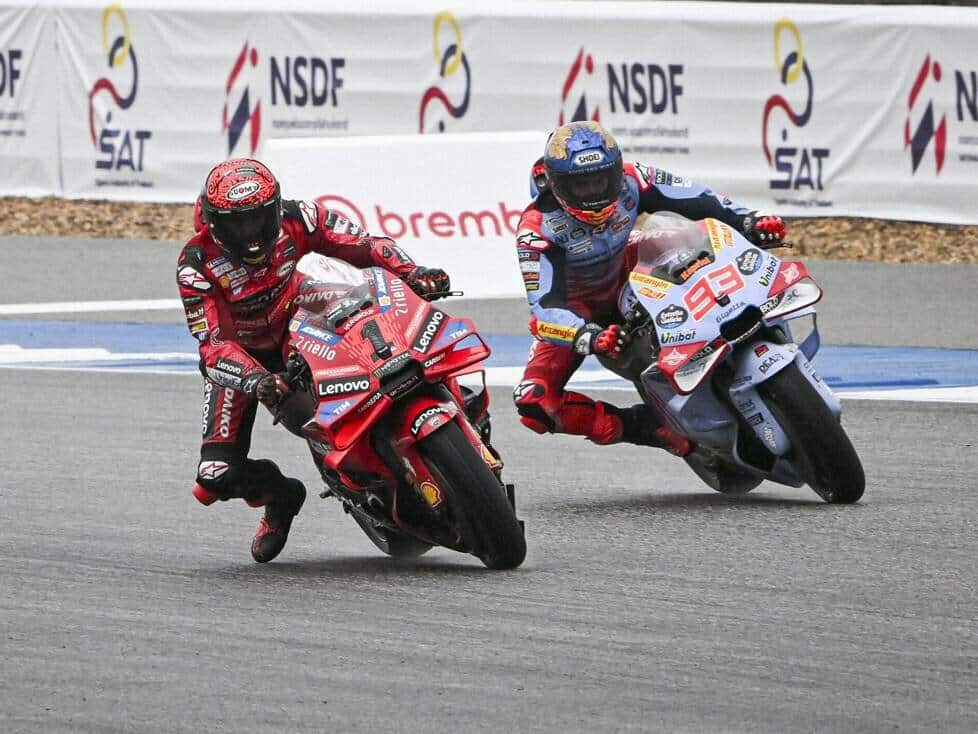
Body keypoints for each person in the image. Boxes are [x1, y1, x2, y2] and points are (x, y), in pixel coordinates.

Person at [177, 158, 449, 563]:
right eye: (238, 224)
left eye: (258, 219)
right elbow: (213, 346)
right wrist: (255, 379)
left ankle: (445, 399)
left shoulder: (301, 217)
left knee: (382, 329)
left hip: (302, 321)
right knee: (214, 477)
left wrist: (413, 272)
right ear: (214, 224)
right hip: (243, 358)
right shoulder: (196, 265)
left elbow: (365, 246)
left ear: (275, 209)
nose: (251, 234)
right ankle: (282, 496)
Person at [513, 121, 786, 452]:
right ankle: (646, 427)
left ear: (616, 169)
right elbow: (544, 308)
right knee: (533, 402)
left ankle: (757, 319)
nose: (594, 193)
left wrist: (748, 221)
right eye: (581, 185)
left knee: (684, 240)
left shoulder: (634, 178)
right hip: (579, 313)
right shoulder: (536, 230)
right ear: (556, 185)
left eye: (601, 179)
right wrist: (587, 335)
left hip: (631, 273)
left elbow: (698, 197)